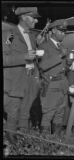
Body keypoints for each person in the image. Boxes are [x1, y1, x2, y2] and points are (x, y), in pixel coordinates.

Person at [3, 7, 41, 143]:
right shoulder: (11, 35)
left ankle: (23, 143)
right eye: (33, 17)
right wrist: (23, 57)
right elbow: (4, 58)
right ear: (24, 17)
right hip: (15, 82)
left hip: (31, 80)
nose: (36, 20)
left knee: (25, 113)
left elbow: (34, 59)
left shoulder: (32, 36)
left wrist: (36, 78)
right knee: (13, 115)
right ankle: (12, 145)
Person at [38, 19, 69, 136]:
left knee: (60, 113)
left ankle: (55, 142)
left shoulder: (62, 46)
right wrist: (61, 55)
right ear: (54, 30)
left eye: (64, 32)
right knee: (48, 114)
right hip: (51, 85)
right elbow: (42, 65)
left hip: (62, 84)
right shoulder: (43, 46)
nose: (63, 34)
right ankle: (44, 144)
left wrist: (68, 63)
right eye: (61, 31)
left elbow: (62, 67)